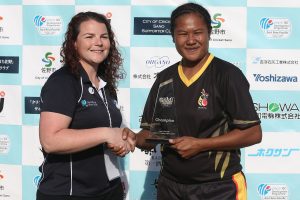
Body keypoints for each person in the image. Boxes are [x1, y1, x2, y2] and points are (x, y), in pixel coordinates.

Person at [116, 2, 262, 200]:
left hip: (218, 188)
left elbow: (253, 133)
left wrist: (200, 144)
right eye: (183, 33)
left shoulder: (227, 75)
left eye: (198, 32)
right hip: (170, 186)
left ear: (209, 34)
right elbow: (153, 134)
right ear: (173, 37)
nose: (191, 40)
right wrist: (131, 138)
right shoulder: (164, 78)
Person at [37, 11, 135, 200]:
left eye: (103, 37)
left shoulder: (105, 85)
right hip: (70, 192)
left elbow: (105, 130)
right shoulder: (64, 82)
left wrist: (123, 136)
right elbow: (50, 140)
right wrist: (107, 133)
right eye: (89, 36)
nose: (98, 42)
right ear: (74, 43)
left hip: (108, 189)